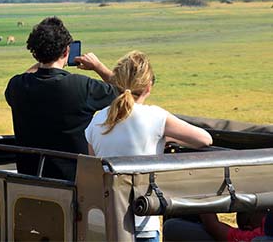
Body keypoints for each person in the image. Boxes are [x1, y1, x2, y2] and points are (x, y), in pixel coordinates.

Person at [85, 50, 213, 242]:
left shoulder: (96, 121)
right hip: (142, 221)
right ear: (148, 86)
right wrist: (167, 138)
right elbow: (204, 139)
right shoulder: (155, 117)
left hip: (105, 223)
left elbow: (94, 171)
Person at [5, 16, 117, 180]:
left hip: (29, 180)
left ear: (35, 53)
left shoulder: (16, 86)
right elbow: (127, 94)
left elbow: (27, 76)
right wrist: (98, 67)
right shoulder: (81, 86)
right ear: (66, 51)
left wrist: (43, 60)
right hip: (74, 181)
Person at [163, 210, 273, 242]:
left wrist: (203, 201)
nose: (264, 212)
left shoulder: (258, 235)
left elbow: (214, 227)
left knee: (172, 227)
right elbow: (215, 227)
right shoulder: (259, 232)